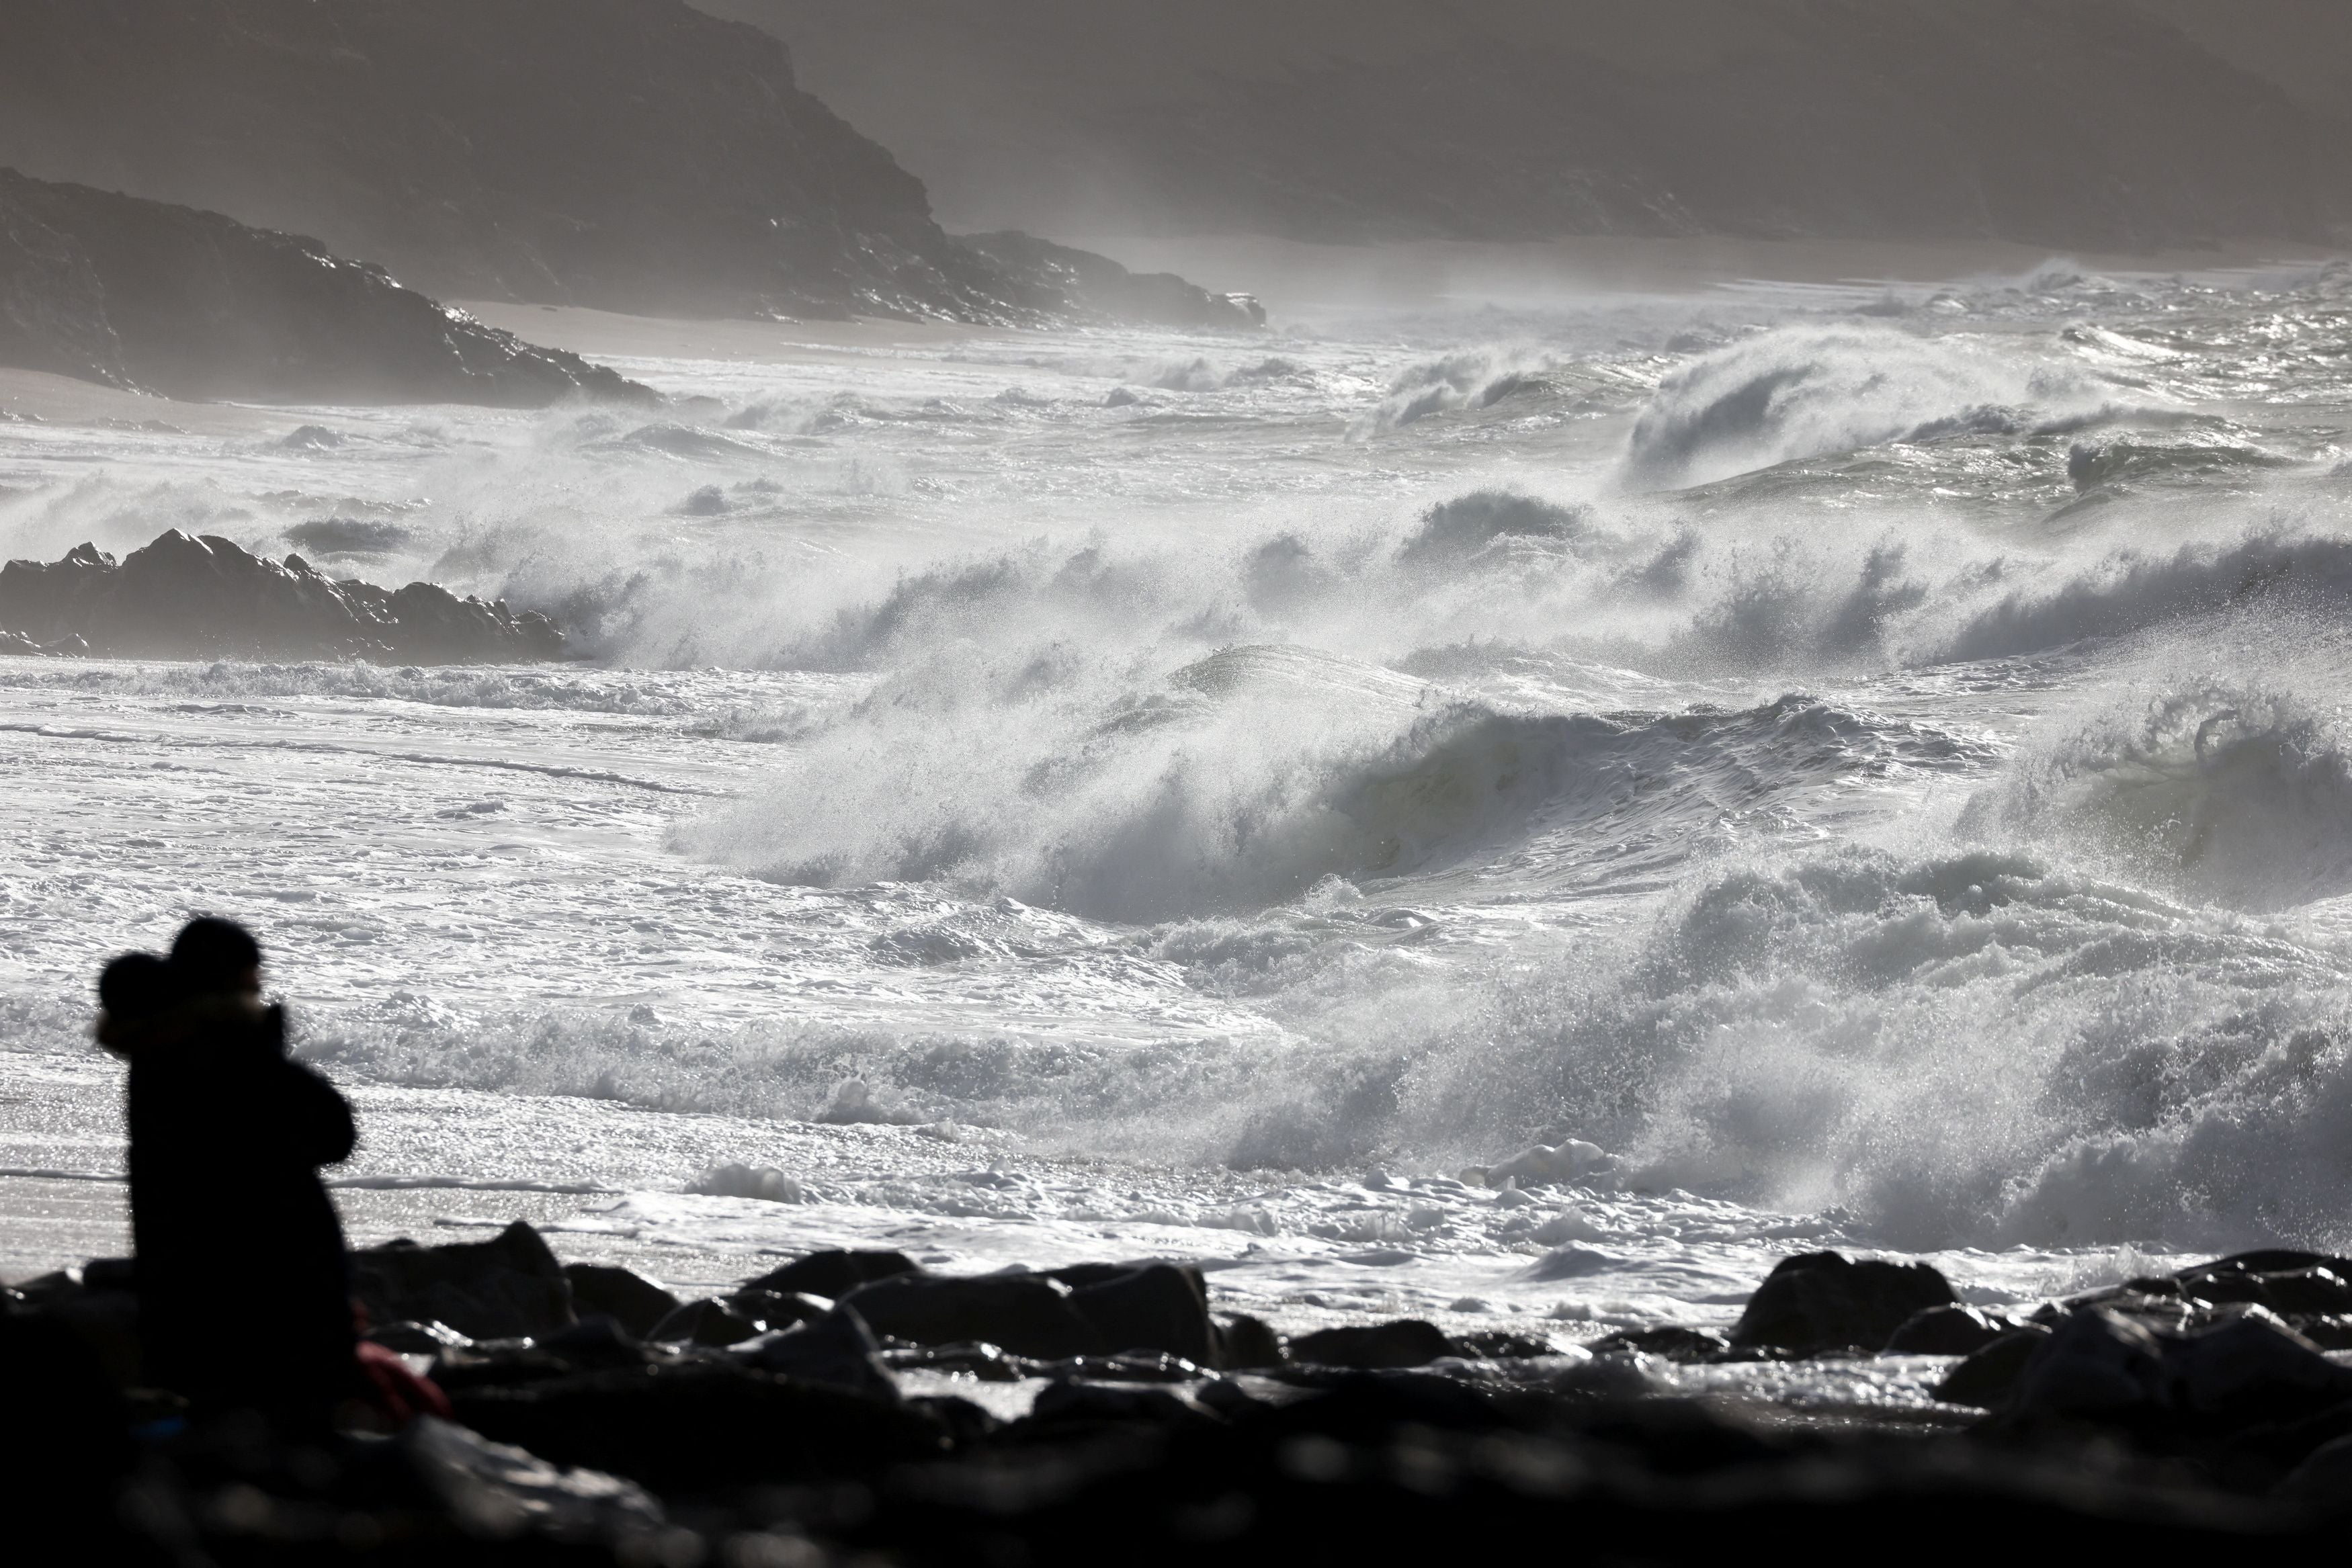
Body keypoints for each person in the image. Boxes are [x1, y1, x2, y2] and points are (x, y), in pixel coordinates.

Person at [97, 918, 361, 1434]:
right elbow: (333, 1133)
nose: (261, 985)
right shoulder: (229, 1057)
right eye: (253, 973)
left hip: (184, 1303)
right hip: (270, 1306)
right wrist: (264, 1045)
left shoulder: (155, 1054)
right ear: (237, 977)